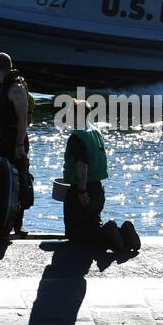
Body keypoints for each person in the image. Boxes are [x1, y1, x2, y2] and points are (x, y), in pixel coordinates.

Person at [61, 99, 140, 253]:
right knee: (92, 223)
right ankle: (124, 232)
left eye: (70, 112)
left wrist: (82, 191)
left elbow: (82, 164)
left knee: (74, 232)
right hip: (98, 190)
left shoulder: (77, 136)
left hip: (83, 191)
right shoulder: (96, 132)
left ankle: (109, 234)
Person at [0, 52, 34, 238]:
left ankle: (18, 224)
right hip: (2, 137)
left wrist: (18, 145)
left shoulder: (16, 88)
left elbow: (23, 119)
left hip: (16, 139)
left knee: (20, 179)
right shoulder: (1, 88)